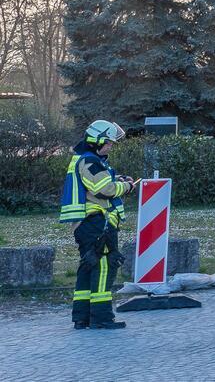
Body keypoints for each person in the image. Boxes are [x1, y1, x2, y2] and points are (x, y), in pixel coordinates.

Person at [59, 119, 136, 330]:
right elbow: (105, 189)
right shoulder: (90, 161)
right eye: (109, 142)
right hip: (97, 224)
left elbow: (99, 181)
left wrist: (118, 178)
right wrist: (127, 186)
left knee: (88, 267)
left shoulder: (86, 160)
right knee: (104, 267)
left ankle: (82, 317)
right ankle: (101, 317)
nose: (111, 146)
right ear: (97, 141)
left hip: (87, 224)